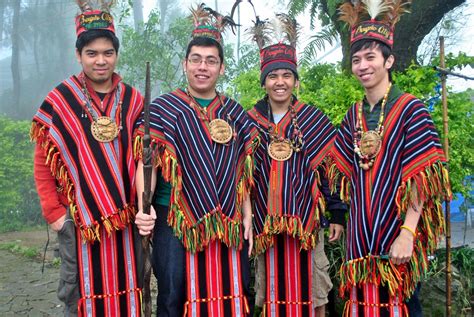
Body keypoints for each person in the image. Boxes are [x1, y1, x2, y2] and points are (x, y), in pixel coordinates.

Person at [330, 1, 451, 315]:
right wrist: (339, 219)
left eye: (370, 57)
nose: (362, 66)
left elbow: (422, 178)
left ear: (389, 60)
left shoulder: (412, 110)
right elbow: (340, 174)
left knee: (402, 305)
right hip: (359, 239)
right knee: (362, 306)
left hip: (397, 234)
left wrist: (408, 233)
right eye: (356, 59)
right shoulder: (351, 116)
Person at [134, 4, 255, 316]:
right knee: (174, 294)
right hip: (173, 219)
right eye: (197, 59)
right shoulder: (162, 109)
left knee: (229, 292)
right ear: (185, 63)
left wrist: (247, 216)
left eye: (211, 61)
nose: (203, 67)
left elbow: (244, 171)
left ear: (222, 68)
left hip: (226, 218)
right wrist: (142, 209)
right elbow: (145, 164)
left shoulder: (235, 114)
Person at [31, 3, 143, 316]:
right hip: (77, 219)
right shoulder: (61, 99)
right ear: (79, 55)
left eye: (107, 52)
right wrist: (55, 212)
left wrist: (143, 208)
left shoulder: (134, 100)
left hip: (125, 217)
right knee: (76, 291)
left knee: (129, 285)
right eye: (92, 53)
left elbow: (143, 160)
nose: (100, 60)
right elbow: (43, 159)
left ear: (116, 54)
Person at [247, 14, 346, 317]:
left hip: (307, 224)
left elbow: (330, 169)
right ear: (264, 81)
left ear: (295, 80)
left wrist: (337, 212)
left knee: (314, 292)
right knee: (273, 292)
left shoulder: (313, 120)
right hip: (266, 225)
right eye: (273, 76)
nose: (280, 82)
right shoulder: (249, 122)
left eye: (286, 76)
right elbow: (242, 175)